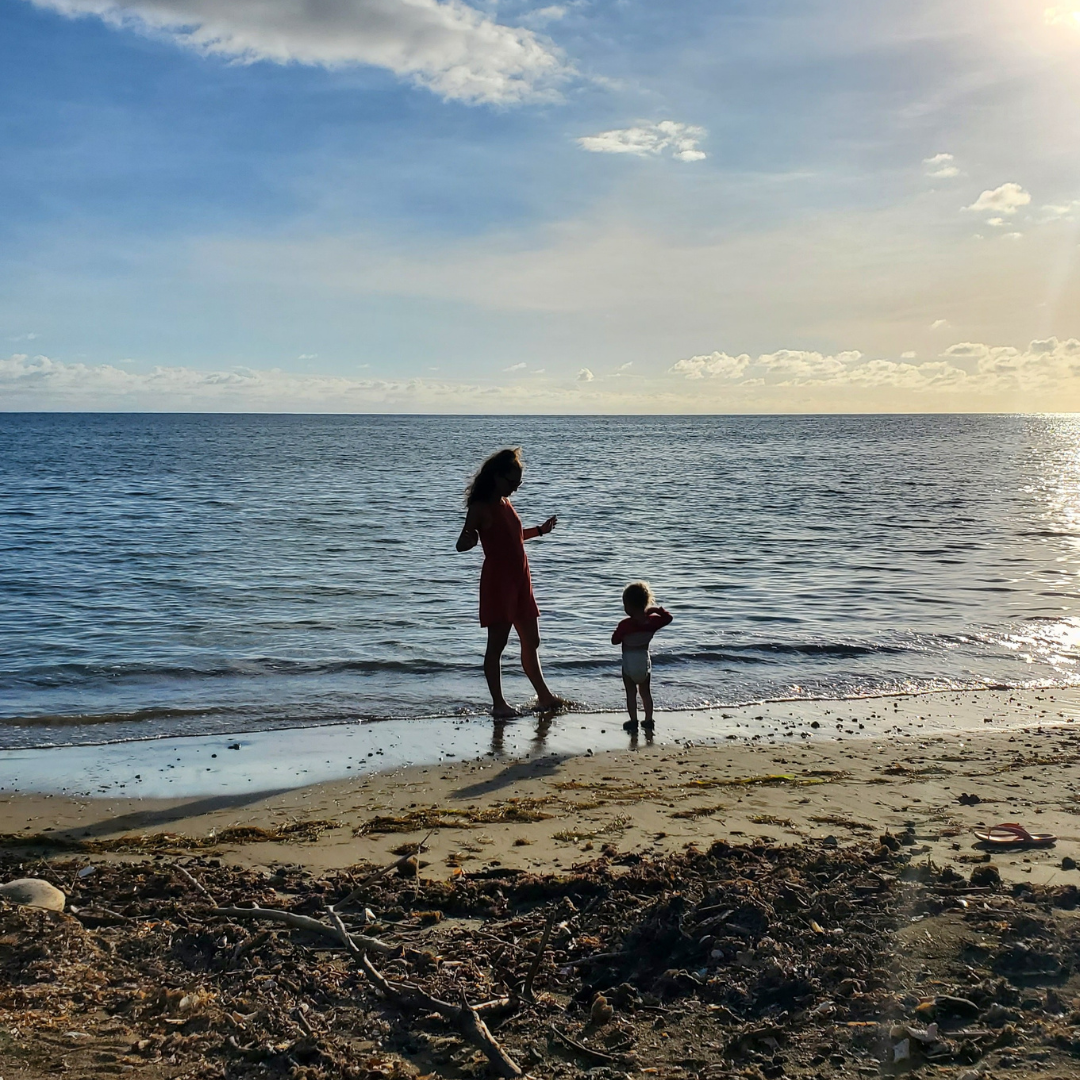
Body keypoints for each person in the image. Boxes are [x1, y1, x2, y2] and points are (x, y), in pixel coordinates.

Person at [456, 447, 560, 718]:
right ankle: (499, 704)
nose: (514, 488)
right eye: (511, 482)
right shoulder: (480, 507)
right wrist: (469, 540)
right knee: (497, 645)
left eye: (518, 483)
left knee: (532, 640)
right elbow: (462, 543)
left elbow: (512, 537)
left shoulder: (505, 502)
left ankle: (544, 697)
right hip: (499, 582)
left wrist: (539, 531)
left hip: (521, 579)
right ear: (495, 477)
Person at [612, 581, 672, 732]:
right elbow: (668, 618)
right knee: (645, 692)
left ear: (628, 606)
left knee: (631, 693)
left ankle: (633, 721)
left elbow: (614, 640)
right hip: (644, 660)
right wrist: (655, 610)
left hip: (629, 663)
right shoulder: (652, 622)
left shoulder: (625, 625)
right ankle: (648, 720)